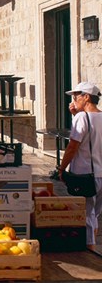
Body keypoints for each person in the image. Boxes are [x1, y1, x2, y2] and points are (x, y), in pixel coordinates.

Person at [58, 82, 102, 252]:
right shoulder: (88, 117)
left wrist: (62, 168)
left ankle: (90, 251)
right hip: (100, 174)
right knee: (94, 215)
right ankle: (92, 246)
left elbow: (73, 146)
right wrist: (75, 115)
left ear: (86, 97)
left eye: (76, 96)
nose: (73, 100)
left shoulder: (82, 118)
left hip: (85, 174)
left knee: (87, 214)